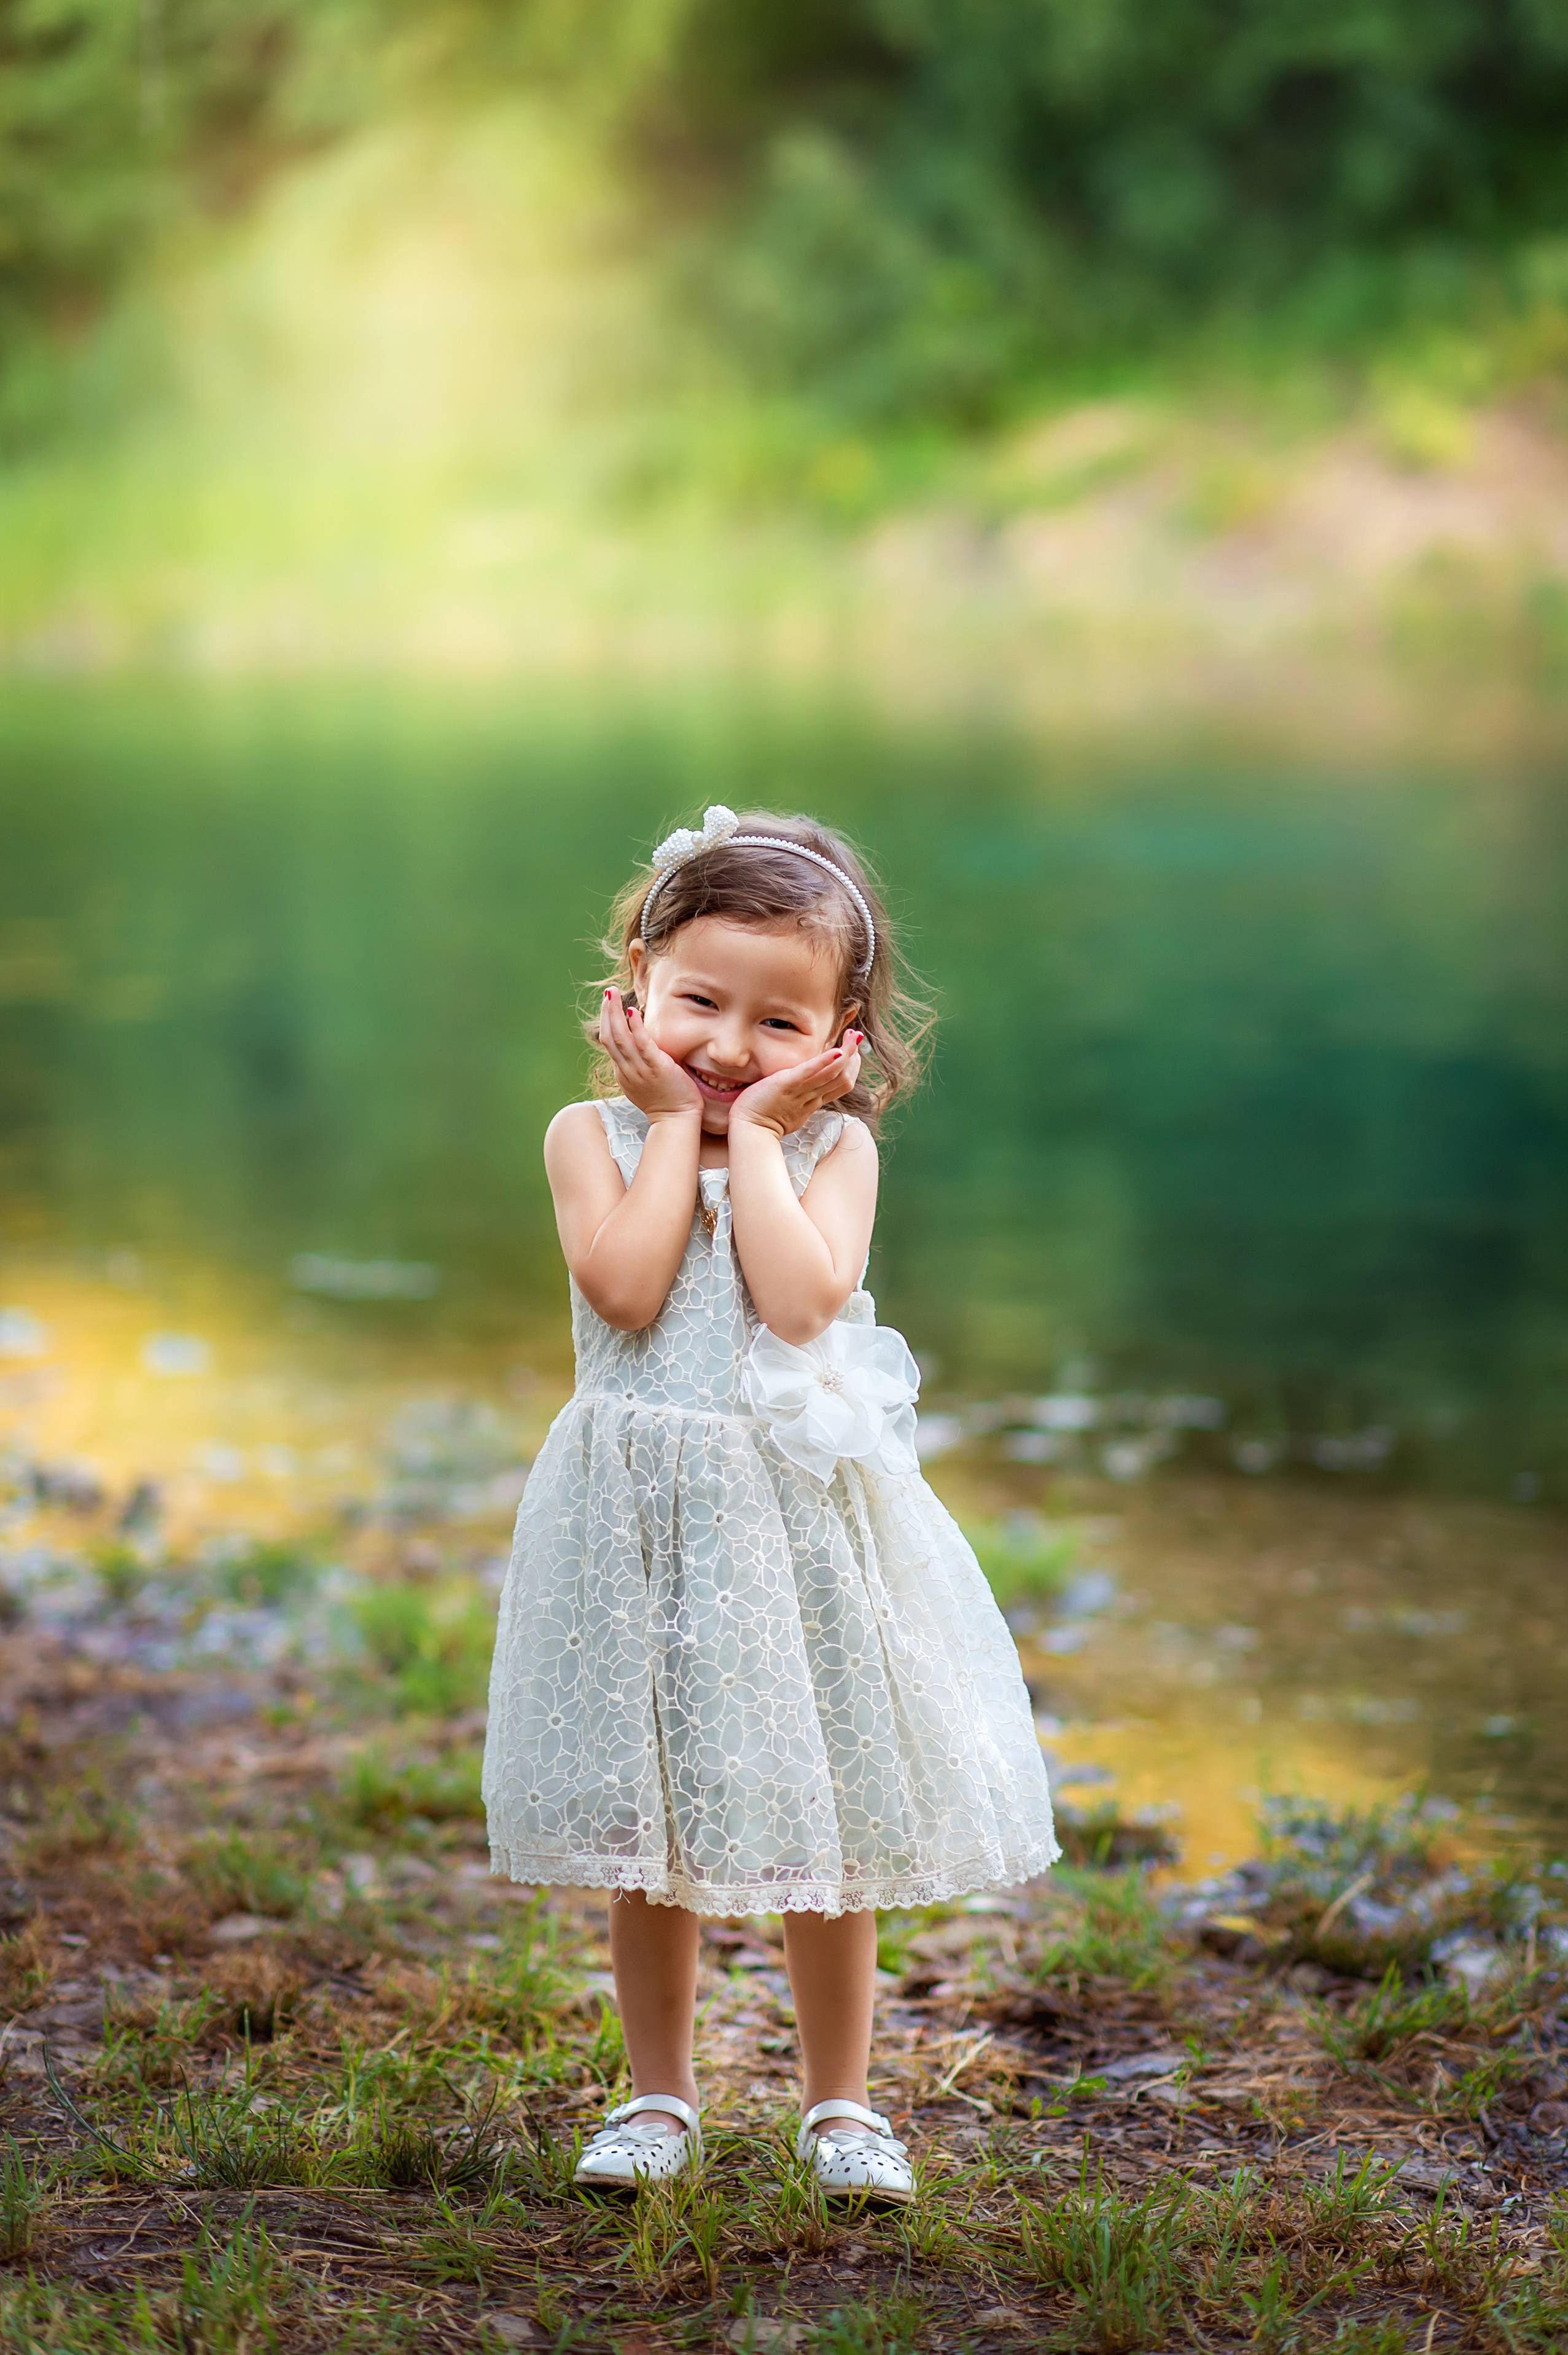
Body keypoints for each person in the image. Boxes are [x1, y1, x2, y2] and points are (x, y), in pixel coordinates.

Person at [482, 805, 1058, 2201]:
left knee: (825, 1821)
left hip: (790, 1526)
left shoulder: (830, 1158)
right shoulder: (589, 1135)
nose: (731, 1049)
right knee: (653, 1826)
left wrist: (759, 1149)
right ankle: (659, 2097)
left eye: (777, 1023)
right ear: (636, 979)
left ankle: (840, 2107)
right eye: (698, 1006)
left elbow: (798, 1306)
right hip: (641, 1522)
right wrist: (678, 1126)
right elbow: (624, 1289)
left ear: (840, 1034)